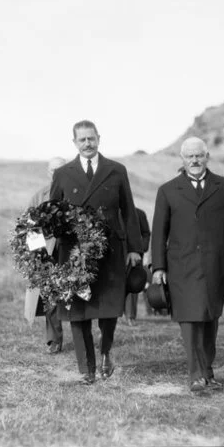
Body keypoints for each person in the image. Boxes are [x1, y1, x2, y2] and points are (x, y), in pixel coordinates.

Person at [151, 136, 224, 392]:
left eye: (199, 155)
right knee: (190, 321)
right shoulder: (168, 190)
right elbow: (159, 232)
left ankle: (208, 371)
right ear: (182, 160)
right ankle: (196, 374)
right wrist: (159, 267)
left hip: (215, 266)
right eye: (189, 156)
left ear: (207, 157)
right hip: (181, 267)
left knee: (210, 320)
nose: (194, 160)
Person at [50, 120, 143, 385]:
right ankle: (86, 370)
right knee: (77, 311)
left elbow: (129, 210)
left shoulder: (116, 170)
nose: (88, 144)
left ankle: (105, 352)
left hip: (110, 252)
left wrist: (135, 249)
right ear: (74, 143)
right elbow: (52, 213)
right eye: (82, 140)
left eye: (91, 139)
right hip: (74, 253)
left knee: (108, 308)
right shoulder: (63, 174)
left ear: (99, 139)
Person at [27, 157, 67, 354]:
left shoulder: (76, 193)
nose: (56, 173)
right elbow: (29, 226)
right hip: (48, 253)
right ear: (48, 172)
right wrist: (38, 253)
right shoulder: (39, 196)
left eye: (60, 169)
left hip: (71, 252)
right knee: (51, 296)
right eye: (53, 170)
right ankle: (54, 339)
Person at [123, 207, 150, 326]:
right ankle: (115, 315)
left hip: (135, 256)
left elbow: (146, 233)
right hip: (117, 255)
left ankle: (130, 316)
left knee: (133, 284)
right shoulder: (113, 210)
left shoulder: (140, 213)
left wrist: (139, 249)